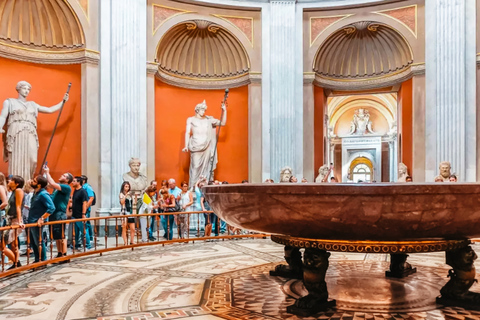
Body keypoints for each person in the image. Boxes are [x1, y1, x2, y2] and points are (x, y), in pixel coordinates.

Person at [0, 81, 69, 179]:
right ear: (18, 89)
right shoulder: (10, 102)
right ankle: (16, 183)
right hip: (16, 132)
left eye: (28, 89)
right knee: (17, 158)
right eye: (24, 88)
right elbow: (3, 116)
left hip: (30, 132)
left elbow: (49, 110)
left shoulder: (33, 104)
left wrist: (62, 102)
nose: (27, 91)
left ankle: (28, 182)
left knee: (33, 160)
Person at [182, 100, 227, 187]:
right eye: (202, 110)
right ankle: (193, 187)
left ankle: (205, 187)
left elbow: (223, 123)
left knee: (207, 168)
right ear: (197, 110)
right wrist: (186, 145)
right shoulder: (191, 119)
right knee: (195, 167)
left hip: (207, 146)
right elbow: (187, 132)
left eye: (204, 110)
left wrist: (224, 110)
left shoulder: (209, 120)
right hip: (195, 145)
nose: (203, 111)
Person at [44, 166, 72, 259]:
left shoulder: (66, 187)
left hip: (60, 213)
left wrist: (47, 172)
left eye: (64, 175)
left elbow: (51, 183)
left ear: (67, 180)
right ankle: (60, 253)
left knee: (61, 235)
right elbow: (49, 184)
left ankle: (64, 254)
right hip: (54, 214)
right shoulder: (58, 188)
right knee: (57, 235)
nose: (61, 175)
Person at [28, 175, 55, 263]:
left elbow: (51, 208)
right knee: (34, 242)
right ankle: (37, 259)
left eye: (34, 181)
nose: (32, 181)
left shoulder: (43, 194)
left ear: (39, 185)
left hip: (37, 221)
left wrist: (42, 218)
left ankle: (43, 260)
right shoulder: (36, 193)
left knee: (39, 241)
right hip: (32, 221)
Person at [1, 175, 24, 269]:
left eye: (12, 180)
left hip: (14, 220)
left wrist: (19, 221)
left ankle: (16, 262)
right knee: (13, 244)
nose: (9, 181)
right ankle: (16, 263)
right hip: (10, 219)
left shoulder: (18, 191)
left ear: (17, 183)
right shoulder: (14, 191)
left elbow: (18, 206)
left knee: (2, 244)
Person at [70, 176, 90, 250]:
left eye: (74, 181)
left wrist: (83, 214)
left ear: (78, 182)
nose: (72, 182)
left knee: (84, 231)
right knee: (75, 232)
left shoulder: (83, 191)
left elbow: (84, 203)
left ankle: (87, 245)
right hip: (75, 215)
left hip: (80, 215)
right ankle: (75, 245)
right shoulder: (75, 190)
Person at [80, 175, 95, 242]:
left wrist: (85, 207)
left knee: (85, 224)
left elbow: (91, 198)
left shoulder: (87, 187)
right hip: (82, 208)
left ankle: (88, 240)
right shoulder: (82, 187)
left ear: (83, 180)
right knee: (87, 224)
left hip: (86, 209)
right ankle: (90, 238)